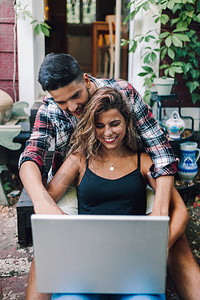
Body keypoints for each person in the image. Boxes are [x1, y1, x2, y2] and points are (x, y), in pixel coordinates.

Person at [25, 88, 200, 300]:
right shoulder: (79, 159)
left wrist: (161, 246)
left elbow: (180, 211)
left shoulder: (144, 161)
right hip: (84, 265)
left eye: (114, 124)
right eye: (100, 126)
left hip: (135, 266)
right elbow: (47, 200)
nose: (107, 133)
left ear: (127, 121)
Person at [19, 53, 177, 219]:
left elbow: (161, 151)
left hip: (131, 178)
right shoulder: (49, 110)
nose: (72, 107)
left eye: (75, 95)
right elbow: (31, 156)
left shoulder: (123, 93)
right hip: (72, 182)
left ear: (86, 80)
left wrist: (162, 211)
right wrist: (41, 202)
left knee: (171, 214)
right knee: (55, 228)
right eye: (62, 102)